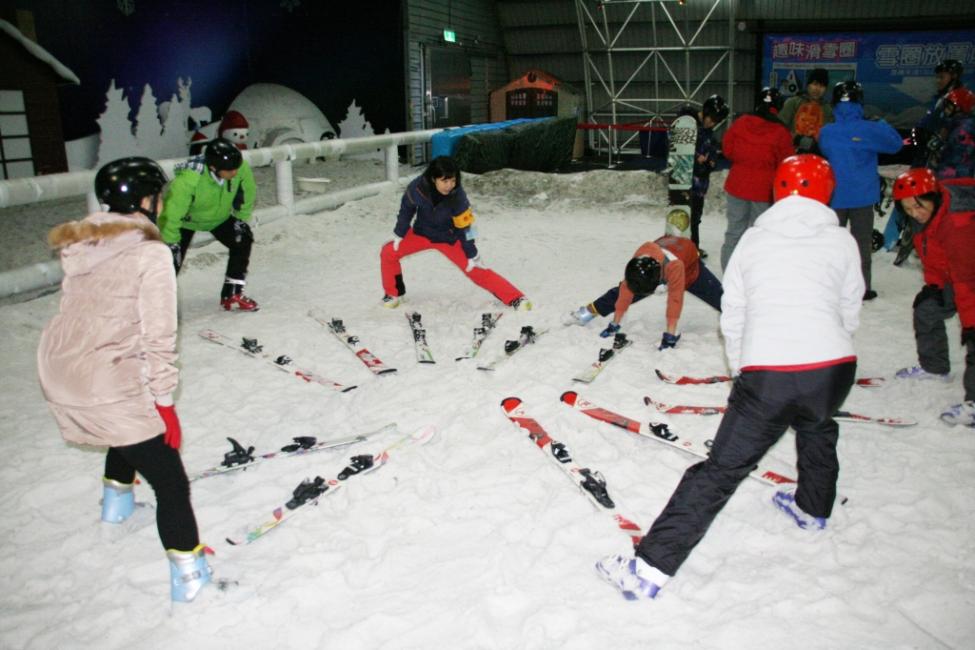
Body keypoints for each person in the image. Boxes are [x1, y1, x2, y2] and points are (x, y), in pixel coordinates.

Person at [596, 155, 863, 600]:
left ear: (778, 190)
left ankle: (649, 570)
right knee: (817, 427)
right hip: (834, 367)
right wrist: (825, 351)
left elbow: (733, 316)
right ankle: (813, 509)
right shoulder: (842, 241)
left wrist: (745, 370)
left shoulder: (756, 240)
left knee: (720, 470)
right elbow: (850, 305)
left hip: (770, 374)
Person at [37, 157, 212, 603]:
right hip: (102, 379)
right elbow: (159, 335)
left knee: (122, 423)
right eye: (158, 196)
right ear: (145, 201)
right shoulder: (151, 253)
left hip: (60, 368)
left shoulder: (82, 244)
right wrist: (165, 402)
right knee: (171, 481)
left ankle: (116, 505)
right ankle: (190, 575)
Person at [379, 156, 531, 310]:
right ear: (433, 178)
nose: (449, 185)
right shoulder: (417, 188)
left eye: (453, 181)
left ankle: (516, 298)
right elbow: (406, 209)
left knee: (476, 269)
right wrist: (399, 233)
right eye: (445, 181)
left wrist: (472, 254)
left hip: (449, 238)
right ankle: (393, 293)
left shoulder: (458, 196)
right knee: (388, 252)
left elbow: (467, 226)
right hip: (422, 233)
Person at [891, 168, 975, 427]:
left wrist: (970, 324)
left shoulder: (957, 224)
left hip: (969, 277)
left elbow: (966, 280)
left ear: (933, 196)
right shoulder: (925, 219)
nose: (915, 213)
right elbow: (933, 257)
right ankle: (935, 367)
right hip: (961, 276)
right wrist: (934, 287)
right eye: (907, 208)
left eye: (918, 206)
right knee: (927, 307)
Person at [819, 80, 903, 301]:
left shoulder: (827, 131)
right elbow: (896, 145)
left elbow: (825, 149)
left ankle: (830, 287)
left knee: (832, 244)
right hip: (862, 196)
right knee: (861, 244)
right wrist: (882, 123)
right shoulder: (870, 129)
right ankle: (862, 288)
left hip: (835, 196)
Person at [564, 235, 723, 351]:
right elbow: (624, 292)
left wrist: (669, 336)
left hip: (689, 270)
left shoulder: (675, 266)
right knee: (619, 292)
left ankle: (744, 316)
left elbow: (675, 301)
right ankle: (585, 313)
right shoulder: (639, 262)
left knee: (723, 300)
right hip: (657, 266)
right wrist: (615, 323)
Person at [157, 137, 259, 311]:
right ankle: (158, 305)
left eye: (236, 168)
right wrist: (171, 241)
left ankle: (232, 292)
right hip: (186, 222)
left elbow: (247, 191)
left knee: (243, 239)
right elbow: (172, 213)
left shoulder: (238, 168)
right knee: (170, 261)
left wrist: (241, 219)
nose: (234, 172)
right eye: (229, 170)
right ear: (213, 167)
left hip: (219, 218)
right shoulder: (189, 180)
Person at [719, 87, 795, 270]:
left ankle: (729, 275)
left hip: (737, 185)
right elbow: (786, 162)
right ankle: (753, 274)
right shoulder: (781, 132)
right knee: (759, 233)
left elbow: (727, 149)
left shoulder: (741, 122)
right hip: (764, 191)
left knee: (734, 232)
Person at [689, 95, 729, 258]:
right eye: (711, 119)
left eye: (715, 121)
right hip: (686, 182)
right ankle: (685, 248)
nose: (712, 123)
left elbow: (713, 157)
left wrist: (709, 162)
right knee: (684, 216)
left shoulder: (710, 135)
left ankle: (693, 248)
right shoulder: (689, 126)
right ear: (705, 113)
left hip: (700, 185)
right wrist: (696, 157)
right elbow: (678, 149)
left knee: (696, 218)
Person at [778, 67, 833, 154]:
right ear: (808, 85)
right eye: (815, 84)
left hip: (817, 155)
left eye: (822, 86)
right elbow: (780, 127)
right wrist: (798, 139)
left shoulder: (828, 109)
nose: (817, 89)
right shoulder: (793, 102)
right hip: (792, 153)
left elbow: (830, 135)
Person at [932, 87, 975, 180]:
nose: (946, 110)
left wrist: (936, 172)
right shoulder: (956, 124)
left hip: (956, 179)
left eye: (949, 107)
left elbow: (955, 160)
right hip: (956, 175)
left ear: (960, 108)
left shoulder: (963, 131)